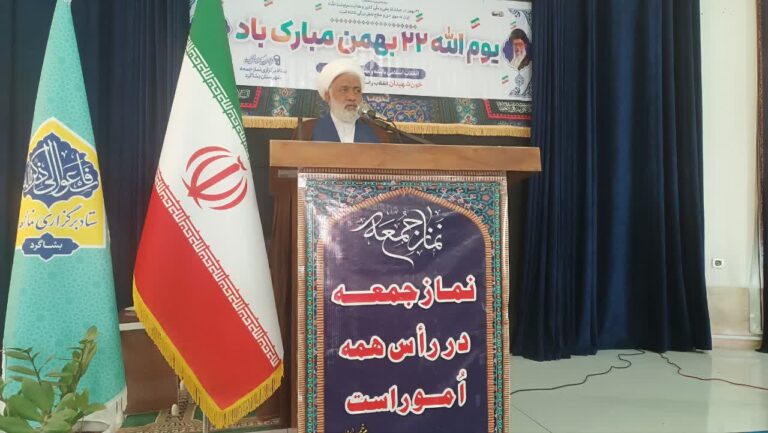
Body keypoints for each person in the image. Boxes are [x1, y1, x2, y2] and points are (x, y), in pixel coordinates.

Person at [293, 58, 390, 143]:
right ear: (328, 96)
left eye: (357, 91)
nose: (352, 97)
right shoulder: (306, 132)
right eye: (344, 90)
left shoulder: (378, 133)